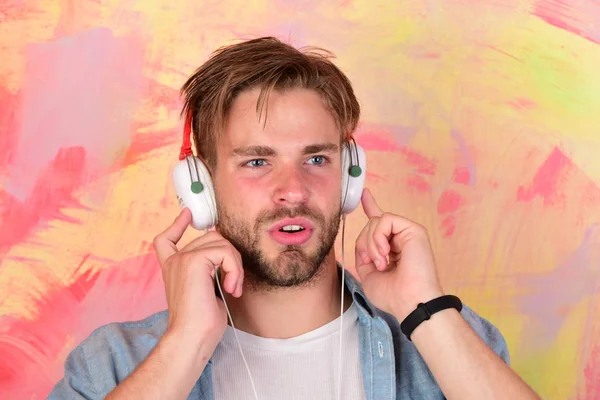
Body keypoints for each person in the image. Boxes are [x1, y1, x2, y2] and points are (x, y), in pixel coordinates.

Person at [48, 37, 540, 400]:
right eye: (257, 162)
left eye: (317, 158)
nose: (294, 190)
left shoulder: (442, 338)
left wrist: (423, 311)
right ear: (200, 187)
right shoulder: (114, 363)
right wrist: (186, 343)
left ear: (350, 177)